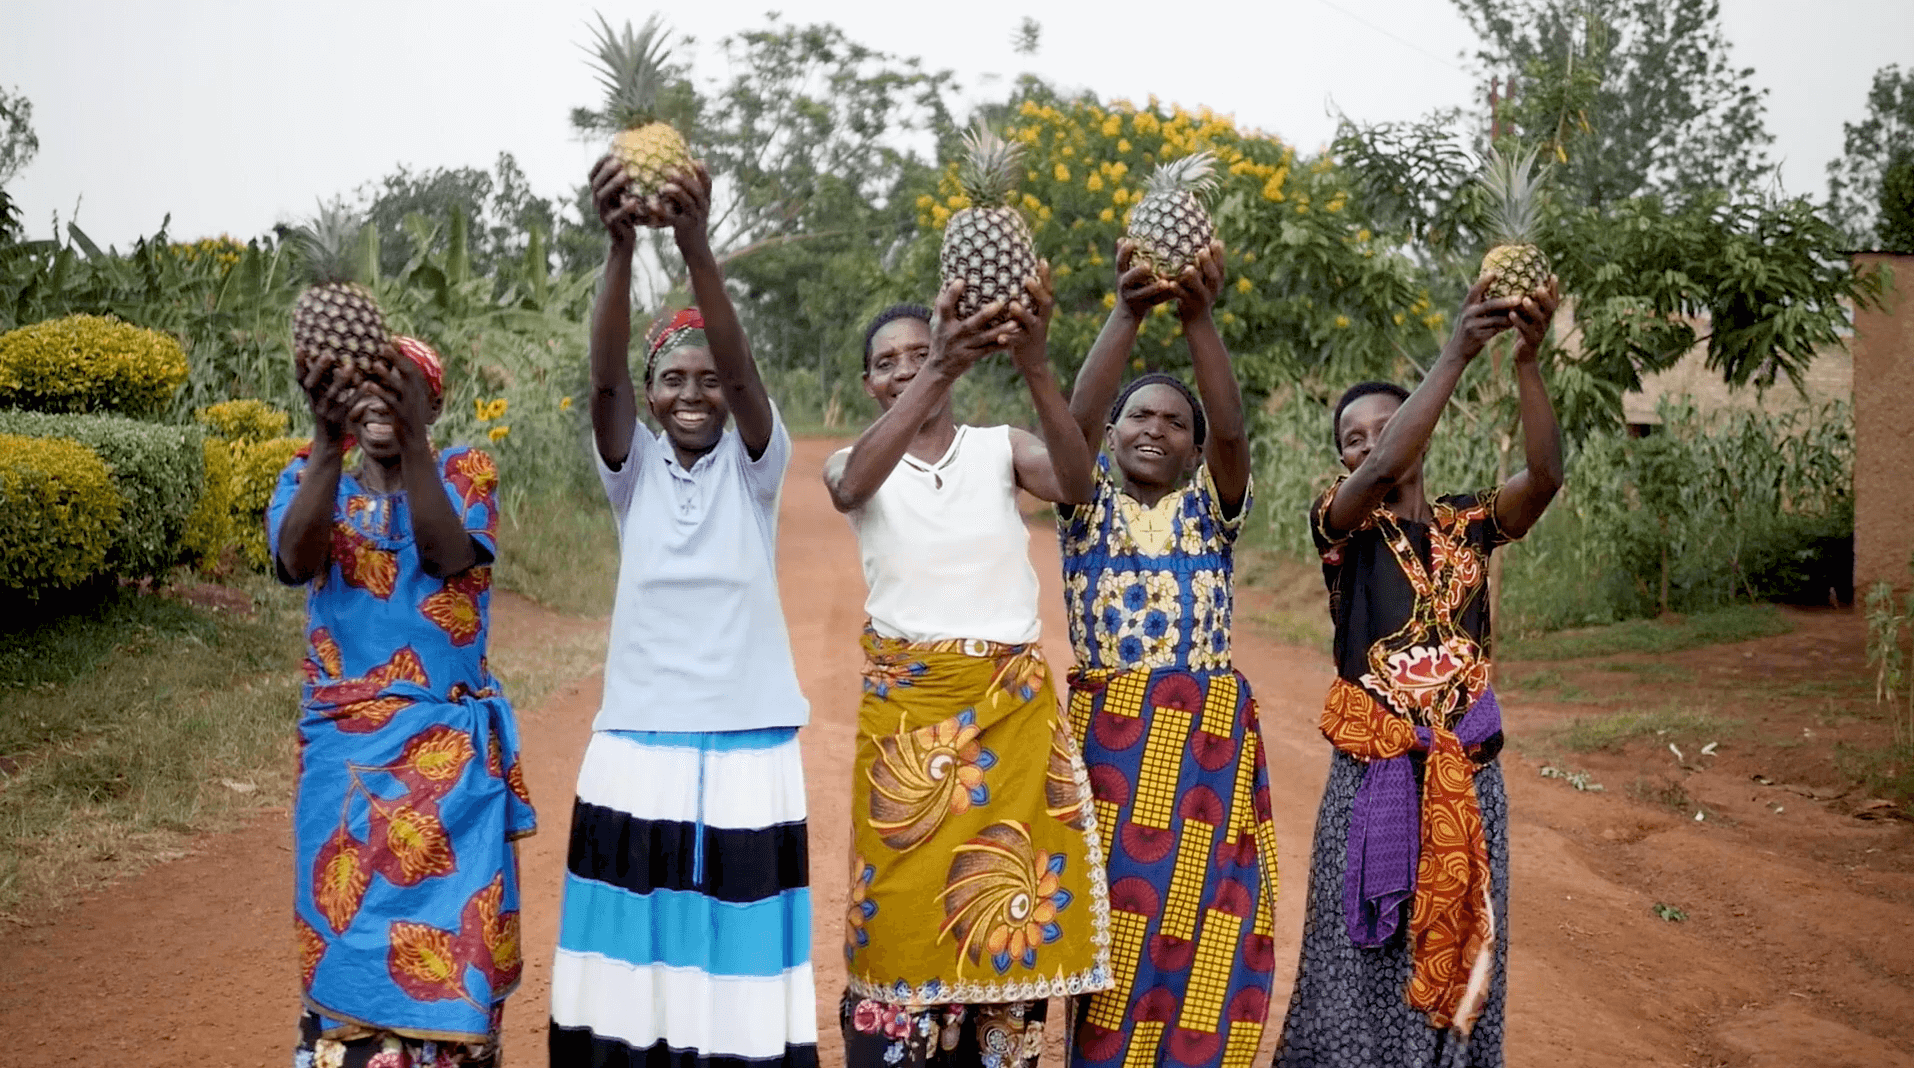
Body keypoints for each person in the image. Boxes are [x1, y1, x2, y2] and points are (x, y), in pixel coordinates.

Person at [547, 157, 816, 1068]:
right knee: (637, 934)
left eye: (707, 379)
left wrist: (696, 247)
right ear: (653, 393)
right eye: (673, 379)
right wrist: (620, 248)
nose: (693, 394)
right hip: (638, 739)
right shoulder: (631, 472)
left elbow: (745, 384)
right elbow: (606, 385)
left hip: (746, 743)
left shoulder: (756, 469)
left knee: (734, 946)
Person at [1274, 274, 1564, 1068]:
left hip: (1468, 777)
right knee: (1361, 945)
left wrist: (1527, 363)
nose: (1371, 445)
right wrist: (1456, 351)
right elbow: (1378, 473)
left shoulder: (1468, 525)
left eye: (1389, 427)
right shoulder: (1343, 521)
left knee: (1463, 927)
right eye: (1354, 437)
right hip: (1375, 773)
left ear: (1424, 430)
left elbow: (1543, 480)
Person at [824, 272, 1111, 1068]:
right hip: (908, 727)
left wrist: (1036, 364)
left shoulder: (1000, 448)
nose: (908, 368)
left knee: (1012, 901)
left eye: (924, 352)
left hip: (1010, 720)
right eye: (891, 361)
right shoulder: (857, 460)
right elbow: (850, 489)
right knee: (901, 906)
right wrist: (944, 366)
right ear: (868, 383)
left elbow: (1078, 484)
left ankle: (998, 1051)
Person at [271, 333, 537, 1068]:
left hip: (450, 777)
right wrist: (327, 445)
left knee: (456, 958)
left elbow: (448, 555)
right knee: (346, 933)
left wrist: (414, 444)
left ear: (433, 403)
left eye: (399, 387)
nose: (379, 401)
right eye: (362, 388)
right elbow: (295, 560)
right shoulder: (306, 476)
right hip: (343, 773)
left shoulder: (465, 471)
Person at [1052, 239, 1281, 1067]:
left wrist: (1198, 317)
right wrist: (1127, 309)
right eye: (1139, 416)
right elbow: (1070, 424)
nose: (1155, 429)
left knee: (1209, 933)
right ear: (1113, 435)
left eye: (1174, 422)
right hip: (1111, 745)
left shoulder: (1211, 513)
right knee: (1113, 931)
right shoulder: (1082, 504)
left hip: (1207, 749)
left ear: (1192, 449)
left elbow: (1234, 430)